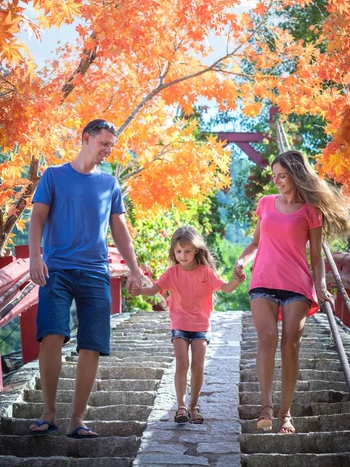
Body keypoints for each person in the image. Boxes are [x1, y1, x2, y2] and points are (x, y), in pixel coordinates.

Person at [28, 118, 142, 438]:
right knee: (52, 334)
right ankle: (48, 413)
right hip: (57, 269)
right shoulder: (53, 176)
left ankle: (77, 419)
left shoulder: (109, 184)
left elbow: (120, 232)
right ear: (86, 139)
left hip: (95, 272)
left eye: (111, 146)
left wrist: (133, 269)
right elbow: (37, 218)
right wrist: (35, 256)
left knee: (91, 345)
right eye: (104, 143)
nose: (108, 150)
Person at [234, 150, 350, 435]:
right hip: (262, 280)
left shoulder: (312, 211)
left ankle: (286, 414)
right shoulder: (265, 204)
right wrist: (242, 260)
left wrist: (321, 285)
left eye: (282, 176)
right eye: (274, 176)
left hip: (297, 285)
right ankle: (266, 408)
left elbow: (316, 256)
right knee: (267, 337)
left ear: (296, 175)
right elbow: (256, 244)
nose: (277, 181)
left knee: (291, 346)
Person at [132, 225, 244, 424]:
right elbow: (154, 290)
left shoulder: (206, 273)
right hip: (179, 324)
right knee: (182, 363)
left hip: (201, 325)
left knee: (198, 367)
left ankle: (194, 406)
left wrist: (237, 280)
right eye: (178, 251)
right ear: (173, 252)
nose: (182, 255)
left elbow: (226, 288)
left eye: (187, 251)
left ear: (196, 251)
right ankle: (181, 407)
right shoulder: (171, 273)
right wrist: (139, 290)